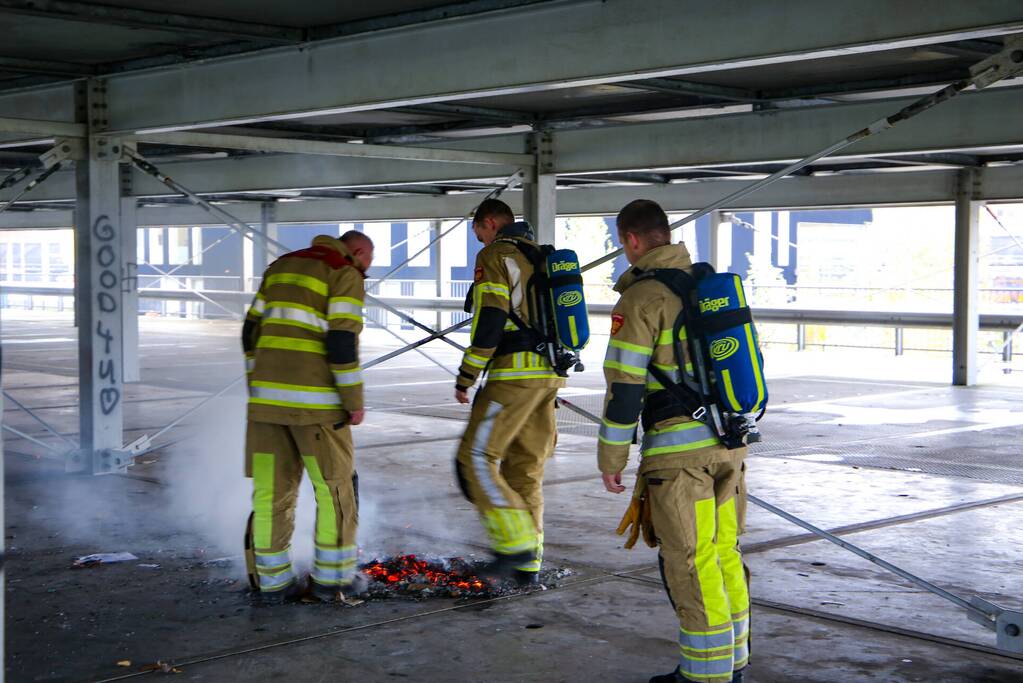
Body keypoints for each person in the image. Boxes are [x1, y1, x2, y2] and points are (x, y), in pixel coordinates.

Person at [599, 200, 750, 683]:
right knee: (724, 551)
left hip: (679, 458)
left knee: (691, 560)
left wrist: (611, 457)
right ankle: (735, 661)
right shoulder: (709, 287)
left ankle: (705, 676)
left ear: (632, 240)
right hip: (729, 445)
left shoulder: (642, 298)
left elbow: (625, 388)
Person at [242, 230, 374, 603]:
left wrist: (260, 384)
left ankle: (273, 583)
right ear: (359, 253)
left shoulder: (279, 268)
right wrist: (353, 400)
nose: (365, 272)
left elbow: (249, 333)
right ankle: (332, 581)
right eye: (368, 265)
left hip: (266, 407)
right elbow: (341, 342)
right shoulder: (343, 272)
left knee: (271, 495)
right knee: (335, 490)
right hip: (317, 409)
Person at [453, 198, 564, 585]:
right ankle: (528, 563)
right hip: (549, 375)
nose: (478, 240)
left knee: (475, 458)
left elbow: (491, 319)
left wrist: (467, 374)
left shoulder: (496, 254)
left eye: (477, 231)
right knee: (525, 468)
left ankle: (513, 544)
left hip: (514, 375)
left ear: (489, 223)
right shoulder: (538, 255)